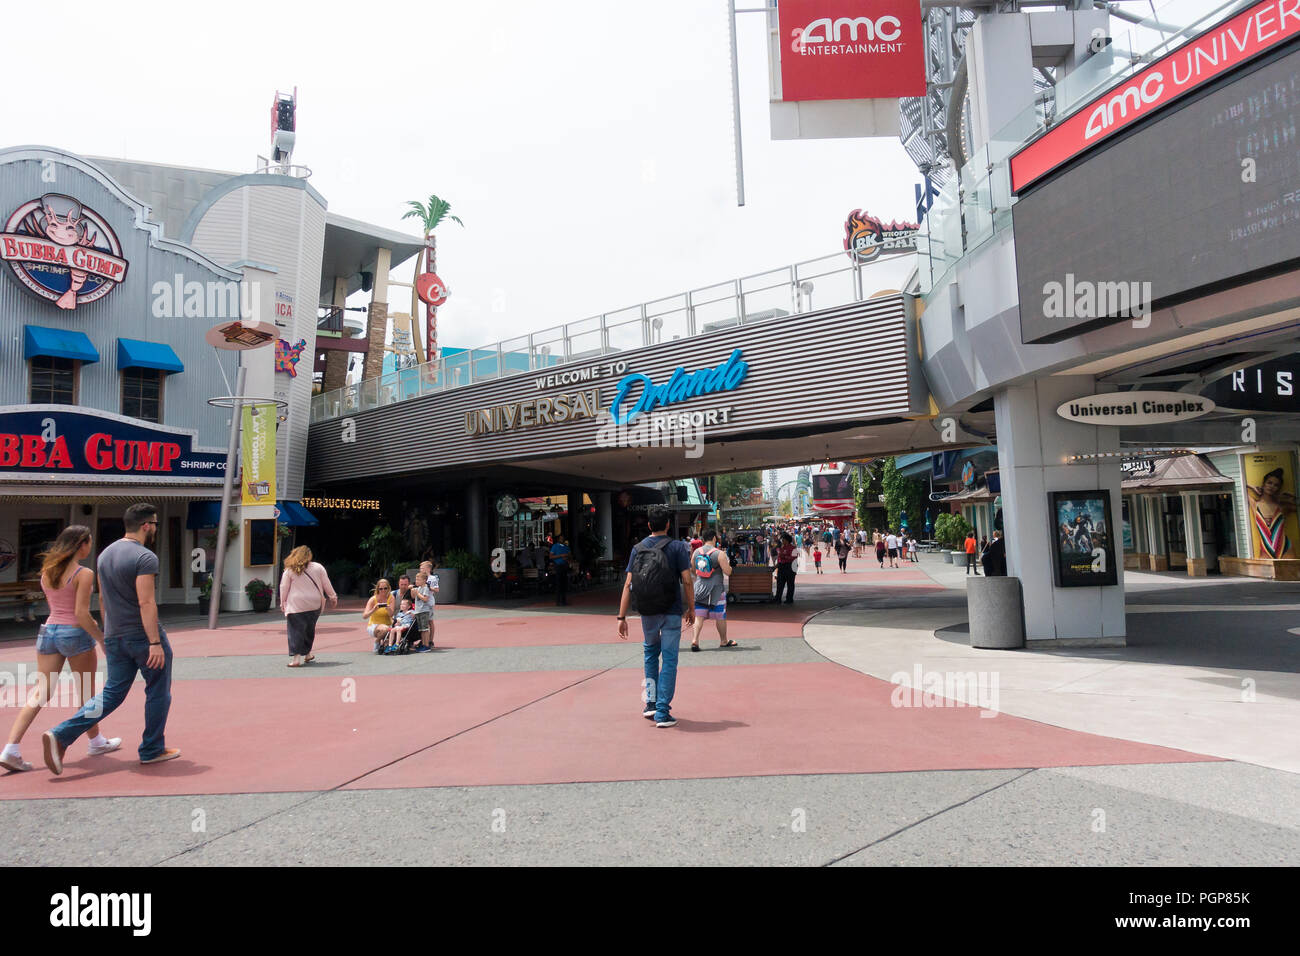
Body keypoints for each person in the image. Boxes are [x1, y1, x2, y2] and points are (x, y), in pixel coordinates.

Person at [42, 503, 178, 774]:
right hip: (142, 636)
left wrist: (108, 633)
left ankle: (61, 734)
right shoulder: (145, 557)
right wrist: (154, 642)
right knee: (158, 691)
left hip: (115, 634)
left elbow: (103, 598)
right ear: (147, 525)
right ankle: (152, 749)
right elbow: (146, 601)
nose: (155, 530)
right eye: (155, 525)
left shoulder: (104, 555)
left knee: (112, 694)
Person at [1, 526, 120, 773]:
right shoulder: (83, 573)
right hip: (75, 633)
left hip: (48, 632)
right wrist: (100, 639)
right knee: (87, 692)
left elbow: (58, 606)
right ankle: (95, 743)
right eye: (89, 542)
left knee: (40, 691)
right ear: (81, 544)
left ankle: (10, 749)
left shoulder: (47, 571)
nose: (90, 547)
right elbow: (81, 613)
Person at [617, 507, 694, 728]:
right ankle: (662, 712)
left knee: (650, 653)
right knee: (669, 659)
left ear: (649, 525)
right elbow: (687, 581)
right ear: (668, 525)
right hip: (671, 611)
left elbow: (628, 584)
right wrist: (692, 607)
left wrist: (621, 617)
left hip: (647, 612)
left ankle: (650, 703)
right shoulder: (678, 547)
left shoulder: (637, 549)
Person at [280, 545, 338, 668]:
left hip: (296, 604)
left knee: (295, 630)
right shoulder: (318, 567)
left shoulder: (289, 570)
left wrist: (282, 601)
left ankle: (296, 658)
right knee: (309, 629)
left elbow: (284, 587)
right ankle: (307, 654)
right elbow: (326, 583)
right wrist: (333, 596)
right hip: (314, 603)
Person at [689, 530, 736, 651]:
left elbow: (693, 570)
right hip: (716, 590)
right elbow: (728, 572)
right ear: (714, 538)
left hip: (700, 589)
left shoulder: (696, 552)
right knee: (720, 616)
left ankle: (695, 640)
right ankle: (723, 640)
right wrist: (729, 565)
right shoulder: (719, 553)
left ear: (703, 539)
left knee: (699, 616)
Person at [364, 579, 396, 654]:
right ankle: (377, 641)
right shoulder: (373, 599)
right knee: (385, 629)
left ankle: (384, 643)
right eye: (381, 589)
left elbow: (391, 615)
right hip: (374, 625)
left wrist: (388, 608)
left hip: (387, 624)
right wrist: (373, 610)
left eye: (385, 588)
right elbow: (365, 616)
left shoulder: (391, 598)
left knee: (394, 633)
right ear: (378, 589)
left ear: (388, 588)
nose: (383, 590)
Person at [412, 569, 436, 651]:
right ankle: (423, 644)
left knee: (425, 629)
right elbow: (413, 597)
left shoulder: (425, 588)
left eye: (418, 579)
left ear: (424, 580)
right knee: (421, 629)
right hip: (418, 610)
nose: (416, 581)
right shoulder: (418, 588)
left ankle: (426, 645)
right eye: (416, 579)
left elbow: (425, 599)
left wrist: (417, 594)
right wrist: (413, 591)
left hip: (424, 611)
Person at [774, 532, 797, 604]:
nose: (782, 541)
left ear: (787, 540)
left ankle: (789, 599)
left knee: (790, 584)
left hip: (790, 567)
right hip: (781, 567)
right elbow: (779, 558)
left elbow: (794, 558)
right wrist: (776, 566)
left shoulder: (793, 548)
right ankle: (777, 598)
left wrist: (785, 556)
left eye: (783, 539)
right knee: (780, 583)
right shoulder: (782, 547)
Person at [550, 534, 572, 606]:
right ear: (558, 539)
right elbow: (551, 556)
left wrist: (567, 557)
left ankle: (563, 600)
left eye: (563, 538)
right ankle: (558, 601)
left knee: (564, 583)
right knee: (559, 583)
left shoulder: (566, 547)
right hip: (558, 566)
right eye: (560, 538)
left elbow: (570, 555)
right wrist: (561, 556)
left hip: (564, 565)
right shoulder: (555, 546)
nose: (562, 540)